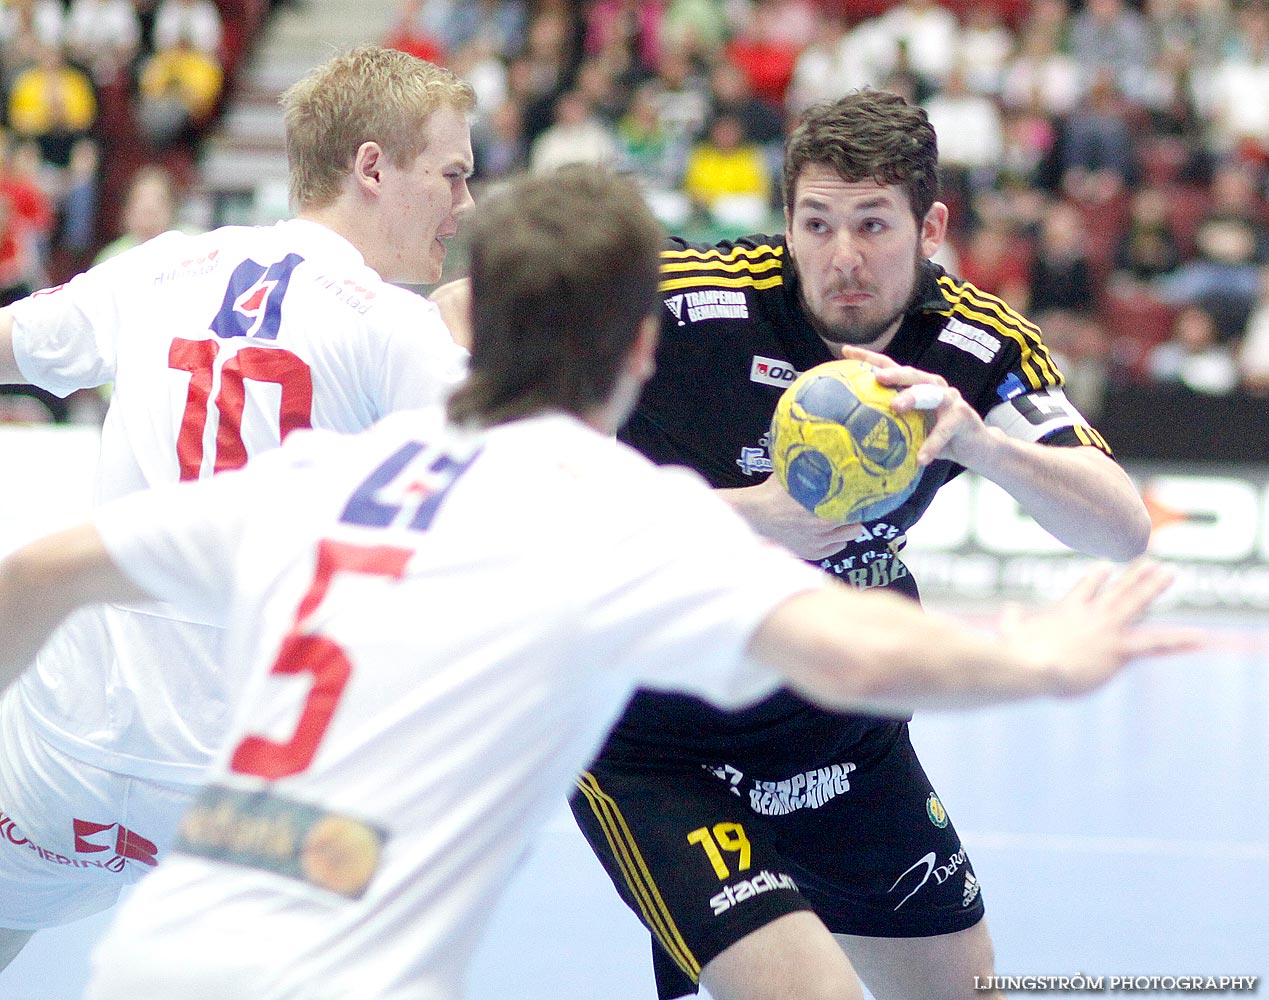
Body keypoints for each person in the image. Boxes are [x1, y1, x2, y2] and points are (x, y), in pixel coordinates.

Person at [0, 165, 1189, 1000]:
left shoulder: (337, 471)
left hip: (165, 948)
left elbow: (45, 566)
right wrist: (1048, 657)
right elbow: (857, 651)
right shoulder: (606, 513)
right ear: (637, 348)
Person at [436, 90, 1153, 1000]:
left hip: (840, 728)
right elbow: (460, 309)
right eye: (815, 223)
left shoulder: (976, 342)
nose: (841, 257)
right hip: (657, 739)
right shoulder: (701, 292)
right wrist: (751, 515)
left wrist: (979, 443)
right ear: (785, 222)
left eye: (871, 225)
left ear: (929, 225)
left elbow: (1121, 528)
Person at [0, 44, 474, 969]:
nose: (465, 204)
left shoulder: (165, 266)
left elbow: (11, 343)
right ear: (371, 168)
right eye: (451, 174)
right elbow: (549, 499)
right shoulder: (394, 328)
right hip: (240, 779)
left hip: (68, 746)